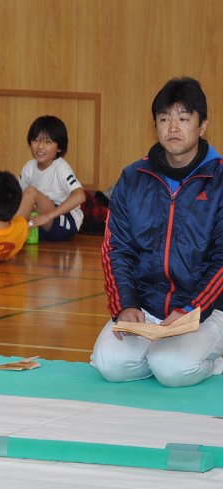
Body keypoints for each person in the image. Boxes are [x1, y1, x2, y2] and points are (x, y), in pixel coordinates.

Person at [91, 77, 223, 388]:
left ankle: (210, 360)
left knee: (172, 369)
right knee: (109, 365)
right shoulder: (133, 177)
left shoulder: (219, 180)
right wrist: (125, 304)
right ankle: (158, 351)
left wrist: (190, 311)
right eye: (164, 119)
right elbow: (116, 249)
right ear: (155, 125)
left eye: (183, 119)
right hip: (146, 309)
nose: (173, 127)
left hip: (206, 310)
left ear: (202, 126)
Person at [16, 115, 86, 241]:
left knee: (31, 192)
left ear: (59, 147)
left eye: (47, 142)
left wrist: (47, 216)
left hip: (64, 221)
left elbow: (80, 196)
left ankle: (10, 234)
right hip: (41, 221)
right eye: (36, 140)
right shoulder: (29, 167)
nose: (40, 146)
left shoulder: (61, 168)